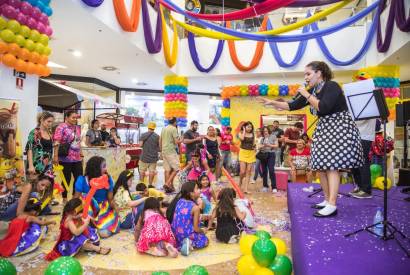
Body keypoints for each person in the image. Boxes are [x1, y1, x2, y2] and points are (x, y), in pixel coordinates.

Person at [258, 61, 363, 217]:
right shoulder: (314, 90)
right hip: (325, 128)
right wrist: (272, 102)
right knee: (320, 165)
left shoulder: (331, 86)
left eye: (308, 74)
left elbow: (324, 107)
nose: (305, 77)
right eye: (305, 75)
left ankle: (332, 204)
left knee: (332, 165)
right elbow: (293, 105)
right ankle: (327, 200)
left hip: (338, 127)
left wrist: (307, 94)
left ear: (319, 73)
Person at [45, 198, 110, 260]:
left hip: (73, 237)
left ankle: (86, 247)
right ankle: (97, 249)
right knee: (80, 239)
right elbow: (76, 232)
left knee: (89, 234)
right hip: (69, 243)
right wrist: (86, 223)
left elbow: (89, 219)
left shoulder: (74, 216)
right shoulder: (69, 220)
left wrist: (88, 218)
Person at [74, 156, 120, 237]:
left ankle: (94, 227)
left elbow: (110, 199)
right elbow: (75, 200)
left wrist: (116, 209)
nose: (106, 169)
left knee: (104, 234)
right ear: (96, 168)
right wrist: (69, 216)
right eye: (104, 166)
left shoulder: (108, 179)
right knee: (85, 197)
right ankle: (90, 225)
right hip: (87, 209)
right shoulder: (82, 180)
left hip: (103, 209)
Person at [167, 181, 208, 256]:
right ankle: (190, 243)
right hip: (186, 234)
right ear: (191, 193)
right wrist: (202, 231)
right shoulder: (195, 208)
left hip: (176, 234)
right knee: (205, 240)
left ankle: (184, 243)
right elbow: (196, 229)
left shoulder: (180, 201)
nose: (200, 190)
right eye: (197, 188)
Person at [53, 110, 83, 203]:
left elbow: (78, 141)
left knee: (79, 178)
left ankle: (75, 198)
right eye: (73, 117)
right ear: (66, 117)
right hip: (65, 158)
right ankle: (65, 199)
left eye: (76, 118)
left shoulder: (77, 128)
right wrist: (55, 156)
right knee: (66, 179)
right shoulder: (61, 127)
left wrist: (81, 153)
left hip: (77, 158)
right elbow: (56, 141)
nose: (75, 119)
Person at [350, 119, 376, 199]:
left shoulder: (369, 107)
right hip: (355, 135)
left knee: (363, 161)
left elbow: (361, 119)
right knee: (355, 162)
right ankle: (360, 187)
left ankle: (366, 190)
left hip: (364, 135)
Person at [26, 111, 55, 178]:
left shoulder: (49, 133)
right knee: (35, 186)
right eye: (48, 121)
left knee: (48, 185)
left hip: (48, 166)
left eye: (51, 122)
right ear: (41, 120)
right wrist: (31, 166)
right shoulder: (35, 132)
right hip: (36, 165)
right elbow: (29, 148)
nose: (50, 124)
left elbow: (48, 148)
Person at [160, 117, 182, 193]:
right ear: (175, 122)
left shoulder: (164, 128)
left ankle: (167, 187)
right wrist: (181, 139)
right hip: (170, 151)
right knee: (177, 168)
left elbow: (160, 140)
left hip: (164, 150)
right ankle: (167, 183)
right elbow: (176, 142)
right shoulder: (173, 129)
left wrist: (161, 151)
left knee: (167, 169)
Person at [258, 126, 279, 193]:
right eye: (263, 131)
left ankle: (274, 187)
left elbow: (276, 146)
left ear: (268, 131)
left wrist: (269, 145)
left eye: (266, 131)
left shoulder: (273, 136)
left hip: (271, 154)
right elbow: (259, 147)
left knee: (271, 170)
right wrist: (263, 146)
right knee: (264, 171)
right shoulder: (262, 138)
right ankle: (265, 186)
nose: (265, 132)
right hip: (263, 155)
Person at [139, 122, 160, 186]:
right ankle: (150, 185)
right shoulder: (157, 136)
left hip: (144, 157)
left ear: (148, 127)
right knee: (152, 172)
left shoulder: (143, 135)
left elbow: (140, 145)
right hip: (153, 158)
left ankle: (142, 185)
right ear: (154, 128)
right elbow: (159, 147)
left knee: (142, 171)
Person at [238, 122, 256, 194]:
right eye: (248, 127)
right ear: (244, 127)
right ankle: (240, 181)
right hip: (243, 152)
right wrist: (244, 130)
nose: (250, 128)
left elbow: (254, 143)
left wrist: (255, 147)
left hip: (251, 153)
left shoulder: (253, 134)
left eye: (251, 127)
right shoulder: (241, 133)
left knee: (248, 171)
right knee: (242, 171)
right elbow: (242, 138)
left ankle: (246, 189)